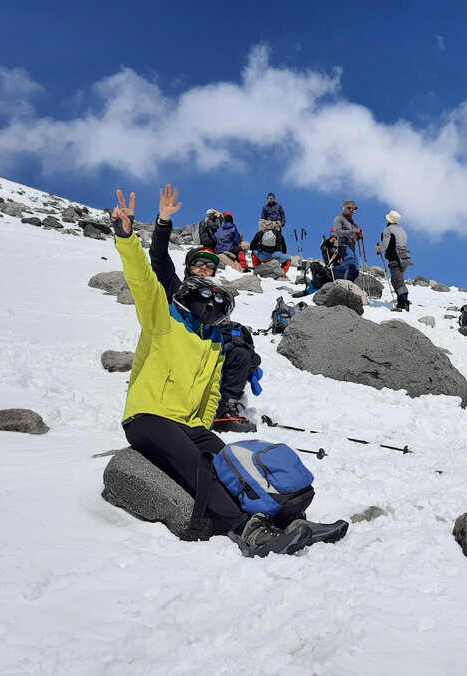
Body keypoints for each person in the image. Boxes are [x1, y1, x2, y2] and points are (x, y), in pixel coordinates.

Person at [110, 186, 340, 558]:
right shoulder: (162, 319)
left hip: (190, 425)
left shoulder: (214, 340)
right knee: (201, 465)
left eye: (217, 303)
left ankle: (284, 522)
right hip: (149, 416)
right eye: (206, 299)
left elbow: (212, 392)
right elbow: (143, 277)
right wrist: (127, 236)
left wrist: (202, 426)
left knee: (230, 461)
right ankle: (249, 531)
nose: (210, 306)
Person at [147, 207, 262, 434]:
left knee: (239, 348)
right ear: (188, 267)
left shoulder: (216, 295)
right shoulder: (176, 288)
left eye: (210, 265)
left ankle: (225, 407)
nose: (204, 268)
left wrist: (247, 348)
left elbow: (221, 325)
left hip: (208, 350)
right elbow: (159, 258)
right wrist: (163, 223)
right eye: (198, 263)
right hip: (181, 351)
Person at [376, 210, 413, 311]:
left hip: (395, 257)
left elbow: (384, 246)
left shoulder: (388, 230)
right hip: (405, 257)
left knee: (397, 282)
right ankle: (401, 302)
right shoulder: (403, 230)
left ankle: (403, 302)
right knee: (397, 280)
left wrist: (378, 249)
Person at [332, 200, 363, 282]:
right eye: (350, 208)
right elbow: (338, 232)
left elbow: (354, 235)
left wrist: (359, 235)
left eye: (353, 209)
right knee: (350, 265)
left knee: (356, 270)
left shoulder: (352, 222)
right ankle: (332, 271)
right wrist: (353, 231)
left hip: (352, 248)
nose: (352, 211)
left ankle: (349, 284)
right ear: (344, 208)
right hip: (344, 246)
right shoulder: (339, 218)